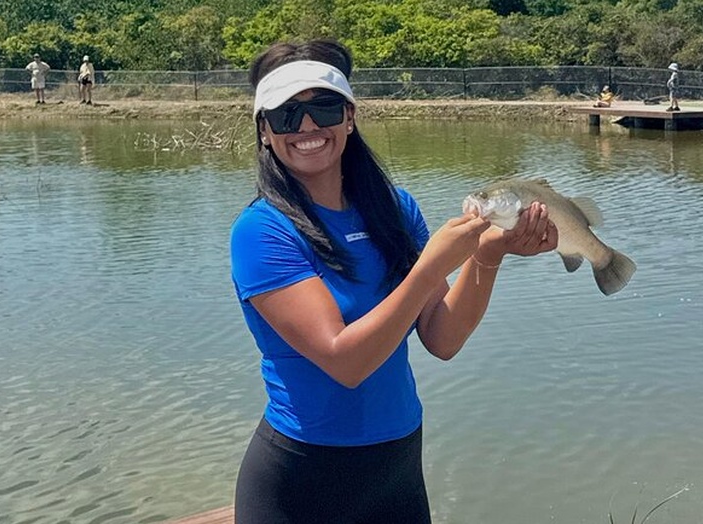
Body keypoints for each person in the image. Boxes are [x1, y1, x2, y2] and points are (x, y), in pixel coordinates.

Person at [230, 39, 558, 524]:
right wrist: (429, 268)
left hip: (397, 465)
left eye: (325, 107)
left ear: (349, 116)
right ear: (264, 131)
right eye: (285, 115)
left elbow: (442, 338)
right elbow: (346, 362)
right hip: (304, 476)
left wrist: (487, 254)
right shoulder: (261, 231)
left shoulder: (395, 209)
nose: (307, 126)